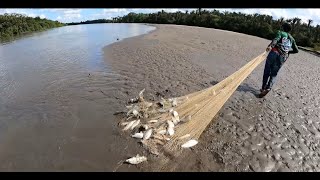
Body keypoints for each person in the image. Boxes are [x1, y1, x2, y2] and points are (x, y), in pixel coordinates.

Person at [259, 22, 299, 98]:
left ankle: (263, 88)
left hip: (274, 53)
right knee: (274, 74)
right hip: (283, 57)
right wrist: (288, 52)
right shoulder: (292, 39)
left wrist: (271, 46)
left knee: (267, 71)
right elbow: (296, 50)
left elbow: (276, 39)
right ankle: (268, 88)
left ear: (283, 28)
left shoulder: (280, 32)